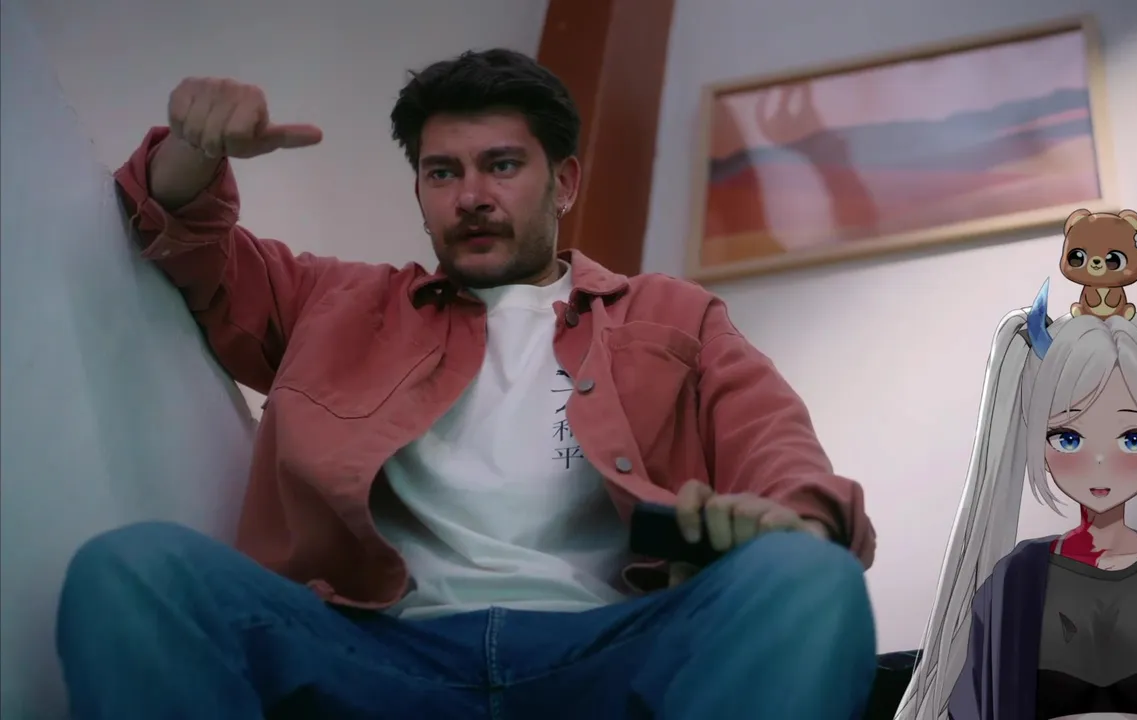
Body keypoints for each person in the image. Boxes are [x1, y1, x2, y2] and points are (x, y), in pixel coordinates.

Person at [54, 49, 879, 720]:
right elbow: (188, 238)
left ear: (564, 182)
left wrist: (792, 524)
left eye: (502, 165)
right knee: (135, 570)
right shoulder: (332, 303)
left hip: (609, 649)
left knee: (809, 576)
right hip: (372, 654)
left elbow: (775, 445)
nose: (472, 196)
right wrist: (196, 145)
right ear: (419, 192)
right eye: (442, 173)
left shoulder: (673, 315)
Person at [892, 278, 1137, 720]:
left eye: (1134, 438)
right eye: (1068, 437)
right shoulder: (1015, 580)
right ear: (1037, 442)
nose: (1099, 462)